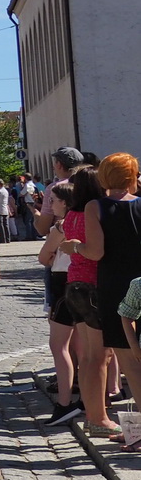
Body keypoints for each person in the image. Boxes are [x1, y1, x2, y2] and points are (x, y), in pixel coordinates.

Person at [80, 153, 141, 427]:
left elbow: (95, 252)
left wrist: (75, 247)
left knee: (131, 363)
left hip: (116, 288)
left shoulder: (96, 207)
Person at [56, 168, 118, 435]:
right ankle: (98, 416)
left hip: (74, 285)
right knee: (100, 356)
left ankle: (93, 413)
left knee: (89, 357)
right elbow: (96, 251)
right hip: (93, 285)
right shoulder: (94, 213)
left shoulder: (71, 214)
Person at [39, 184, 82, 424]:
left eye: (53, 200)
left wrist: (52, 255)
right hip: (83, 282)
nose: (50, 204)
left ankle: (64, 402)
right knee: (83, 347)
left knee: (59, 346)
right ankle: (88, 398)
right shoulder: (87, 221)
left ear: (65, 202)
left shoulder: (62, 226)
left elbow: (43, 256)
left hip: (63, 283)